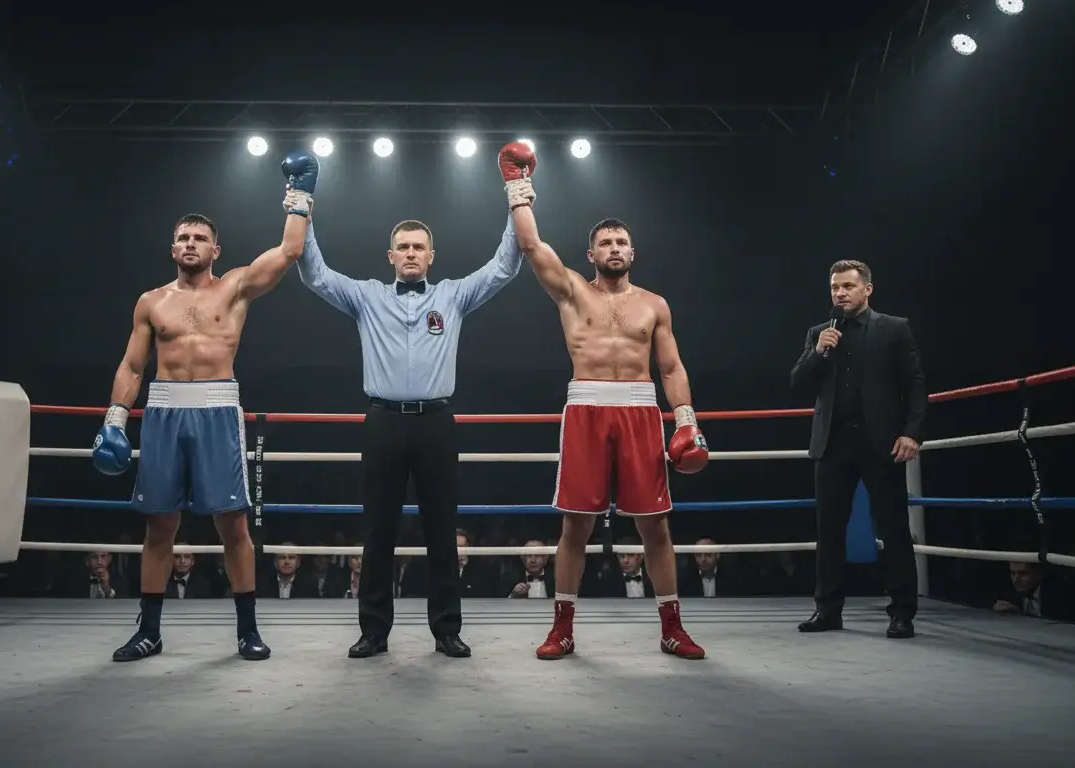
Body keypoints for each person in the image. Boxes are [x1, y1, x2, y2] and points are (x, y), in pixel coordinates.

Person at [90, 151, 318, 662]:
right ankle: (149, 631)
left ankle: (247, 630)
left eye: (199, 238)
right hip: (163, 411)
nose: (190, 243)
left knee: (233, 525)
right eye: (183, 237)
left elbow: (289, 250)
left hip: (217, 410)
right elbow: (132, 366)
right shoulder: (151, 301)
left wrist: (301, 193)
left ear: (216, 248)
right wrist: (115, 419)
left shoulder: (234, 288)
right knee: (159, 525)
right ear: (172, 247)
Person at [294, 172, 523, 659]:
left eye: (419, 247)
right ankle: (374, 631)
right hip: (383, 422)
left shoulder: (453, 295)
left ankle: (447, 630)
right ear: (391, 255)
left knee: (443, 529)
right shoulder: (367, 296)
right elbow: (315, 275)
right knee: (378, 530)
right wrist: (302, 210)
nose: (412, 253)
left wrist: (516, 199)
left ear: (431, 256)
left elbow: (504, 267)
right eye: (404, 247)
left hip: (436, 423)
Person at [499, 141, 709, 661]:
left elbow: (671, 368)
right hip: (586, 408)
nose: (615, 248)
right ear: (591, 254)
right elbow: (531, 245)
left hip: (641, 410)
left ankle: (672, 628)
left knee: (655, 525)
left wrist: (686, 421)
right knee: (575, 525)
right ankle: (562, 629)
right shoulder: (573, 292)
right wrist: (516, 186)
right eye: (605, 243)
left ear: (632, 253)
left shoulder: (654, 305)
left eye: (622, 242)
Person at [790, 259, 926, 639]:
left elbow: (915, 385)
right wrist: (818, 352)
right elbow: (797, 383)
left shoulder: (893, 328)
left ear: (867, 289)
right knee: (829, 530)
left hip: (880, 442)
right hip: (833, 444)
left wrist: (911, 434)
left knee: (893, 528)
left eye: (848, 286)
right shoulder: (820, 333)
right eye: (835, 287)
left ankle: (902, 612)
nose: (840, 293)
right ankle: (827, 610)